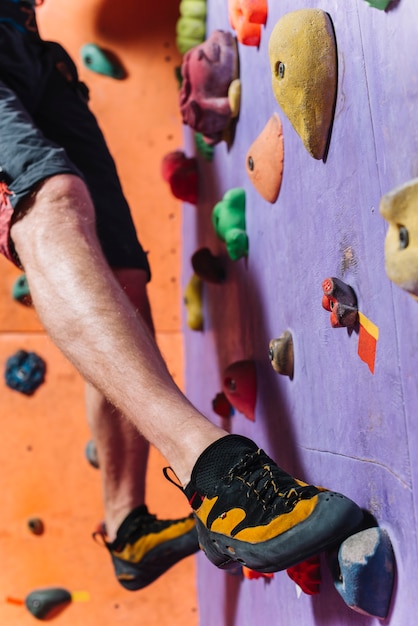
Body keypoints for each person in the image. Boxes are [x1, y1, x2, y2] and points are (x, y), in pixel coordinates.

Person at [0, 0, 364, 592]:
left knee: (120, 282)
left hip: (33, 52)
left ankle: (127, 529)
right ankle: (213, 472)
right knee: (51, 199)